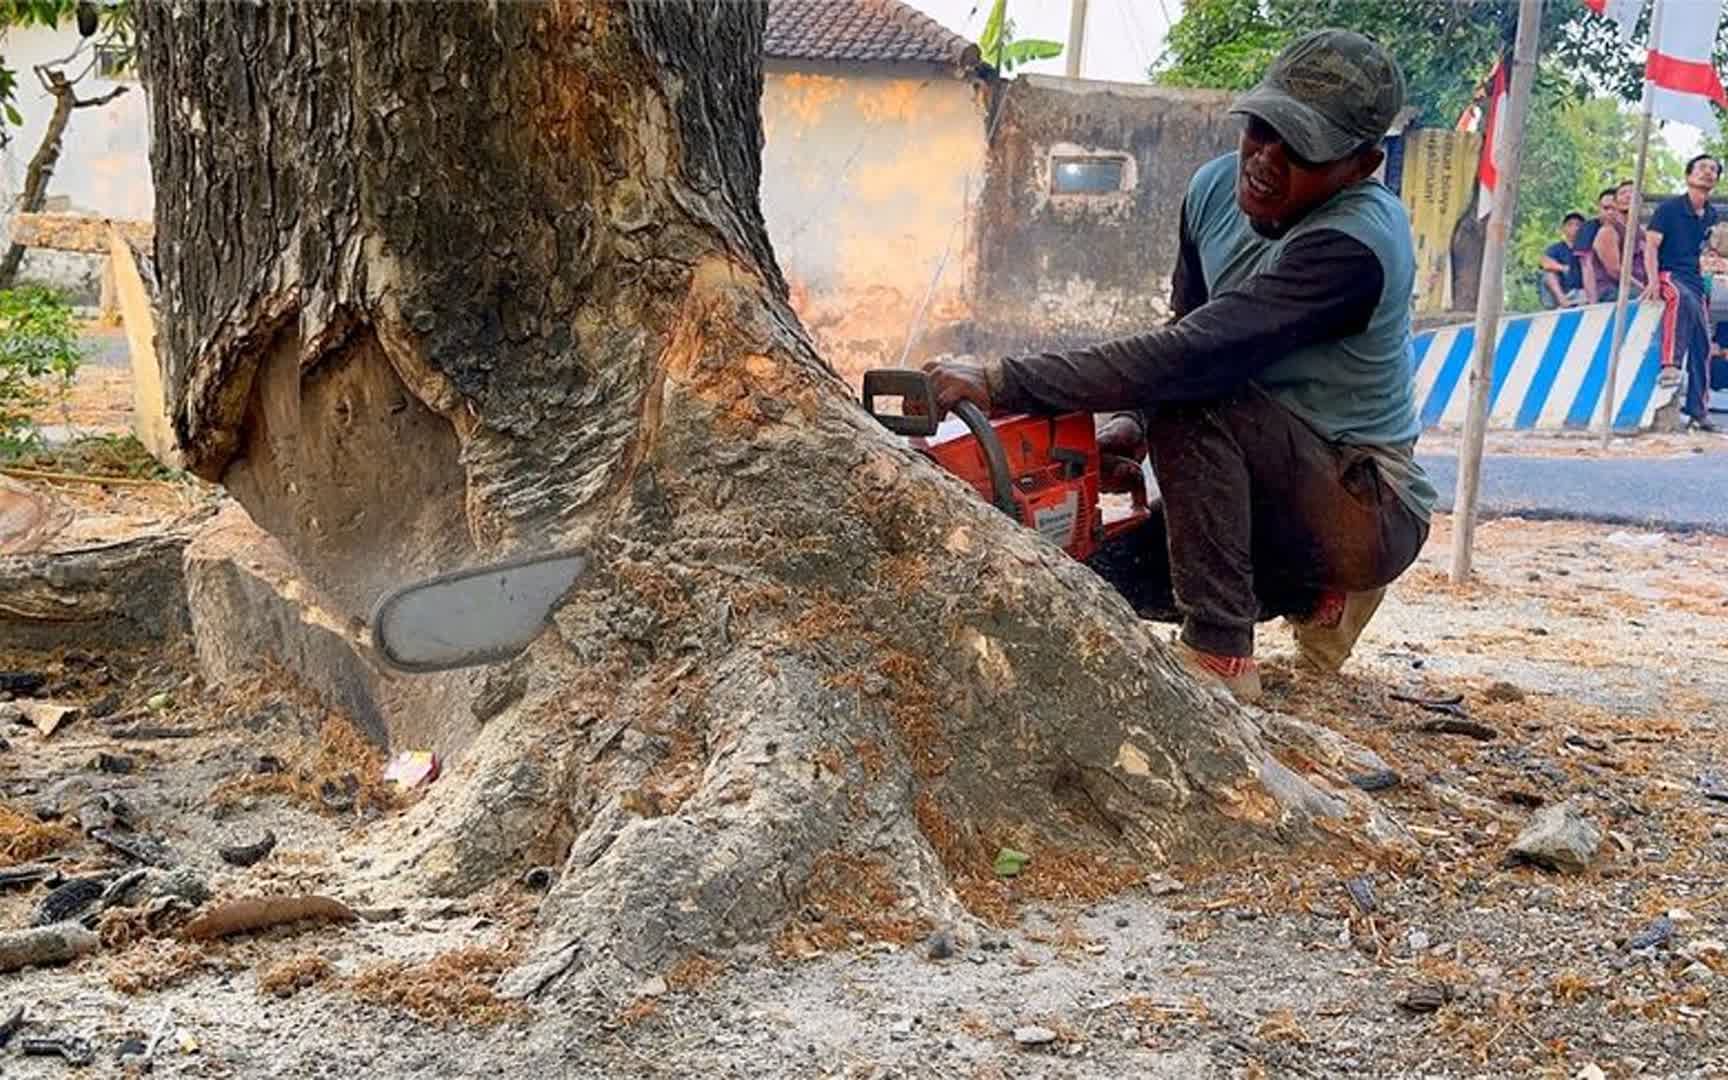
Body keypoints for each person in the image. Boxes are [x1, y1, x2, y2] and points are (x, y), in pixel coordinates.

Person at [919, 29, 1433, 703]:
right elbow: (1186, 324)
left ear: (1361, 165)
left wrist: (1002, 382)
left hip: (1364, 505)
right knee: (1101, 567)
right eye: (1263, 129)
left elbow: (1194, 358)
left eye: (1301, 148)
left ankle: (1222, 658)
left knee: (1193, 390)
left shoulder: (1357, 245)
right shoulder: (1214, 191)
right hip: (1273, 477)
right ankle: (1310, 596)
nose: (1266, 159)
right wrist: (1131, 423)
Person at [1645, 153, 1721, 432]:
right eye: (1702, 168)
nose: (1707, 172)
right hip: (1669, 273)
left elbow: (1703, 249)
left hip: (1694, 278)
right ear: (1689, 175)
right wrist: (1653, 281)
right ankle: (1670, 364)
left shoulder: (1711, 215)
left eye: (1713, 169)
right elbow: (1651, 246)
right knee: (1680, 298)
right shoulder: (1668, 209)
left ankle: (1698, 410)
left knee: (1703, 341)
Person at [1591, 179, 1650, 301]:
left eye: (1633, 193)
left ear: (1641, 202)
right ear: (1616, 203)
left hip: (1637, 290)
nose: (1628, 196)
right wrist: (1644, 290)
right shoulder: (1608, 231)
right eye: (1623, 193)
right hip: (1613, 292)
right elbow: (1615, 271)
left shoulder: (1643, 234)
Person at [1577, 188, 1617, 302]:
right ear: (1598, 209)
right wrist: (1593, 303)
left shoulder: (1627, 228)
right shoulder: (1588, 229)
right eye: (1606, 208)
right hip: (1605, 290)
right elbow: (1586, 266)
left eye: (1614, 208)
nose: (1610, 212)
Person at [1540, 212, 1587, 309]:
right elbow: (1545, 262)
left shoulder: (1587, 247)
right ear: (1563, 229)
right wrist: (1562, 268)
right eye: (1570, 225)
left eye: (1578, 225)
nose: (1575, 228)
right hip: (1563, 293)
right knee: (1549, 274)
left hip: (1583, 291)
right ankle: (1563, 301)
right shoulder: (1556, 248)